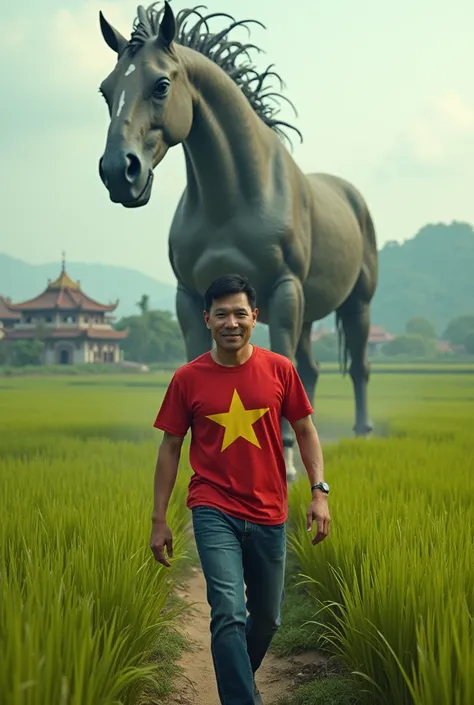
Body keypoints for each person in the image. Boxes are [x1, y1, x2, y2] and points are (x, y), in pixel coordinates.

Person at [150, 273, 331, 705]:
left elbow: (305, 430)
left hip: (270, 510)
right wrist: (159, 520)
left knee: (266, 619)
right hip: (213, 508)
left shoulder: (279, 369)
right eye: (221, 314)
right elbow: (170, 447)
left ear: (256, 317)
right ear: (207, 319)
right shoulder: (187, 378)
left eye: (239, 313)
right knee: (228, 613)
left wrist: (320, 492)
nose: (231, 322)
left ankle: (238, 682)